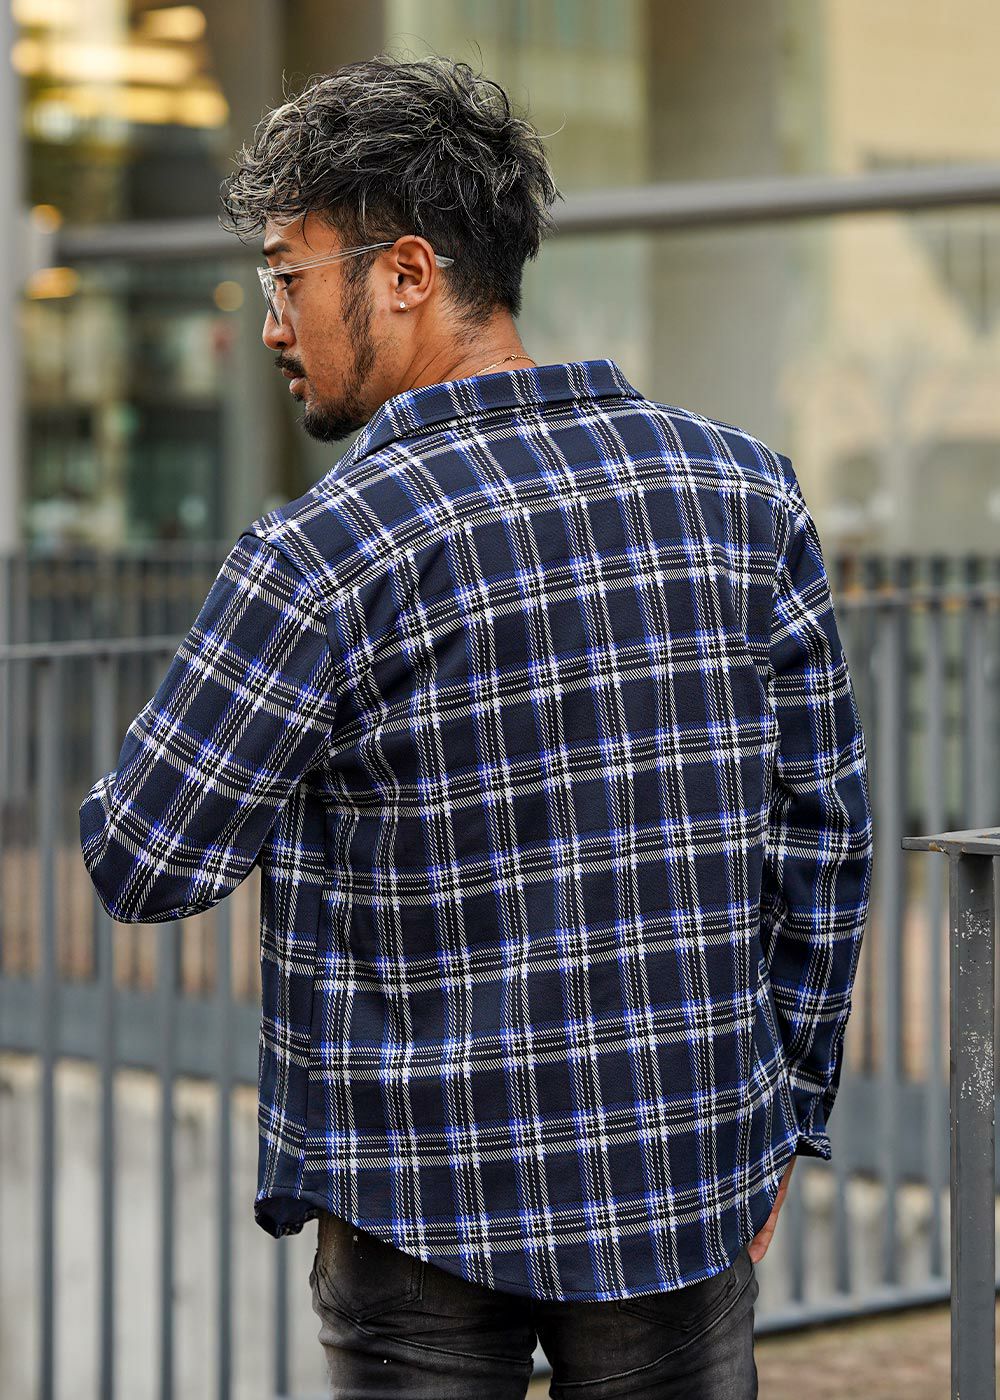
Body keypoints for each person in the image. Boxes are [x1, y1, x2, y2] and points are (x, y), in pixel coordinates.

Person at [79, 53, 873, 1400]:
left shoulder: (327, 552)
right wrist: (782, 1114)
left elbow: (144, 859)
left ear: (404, 274)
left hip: (419, 1196)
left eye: (284, 276)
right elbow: (827, 836)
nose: (270, 325)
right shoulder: (743, 494)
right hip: (680, 1171)